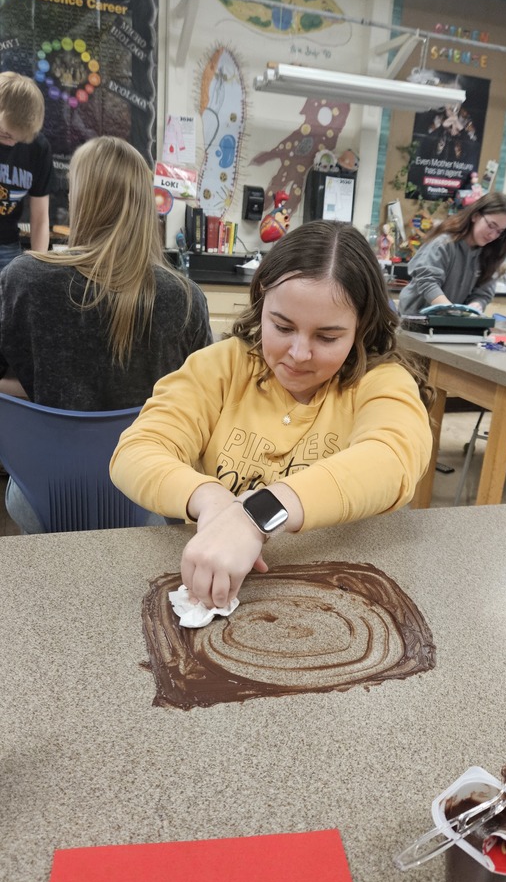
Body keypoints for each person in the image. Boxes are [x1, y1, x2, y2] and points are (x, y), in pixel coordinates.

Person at [110, 219, 433, 611]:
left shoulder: (380, 382)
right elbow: (137, 450)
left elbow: (392, 458)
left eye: (327, 337)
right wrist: (211, 501)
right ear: (262, 306)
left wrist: (257, 513)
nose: (298, 353)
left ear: (361, 330)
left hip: (339, 593)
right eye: (282, 326)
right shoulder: (222, 367)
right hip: (225, 589)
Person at [0, 135, 212, 532]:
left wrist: (46, 383)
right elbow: (205, 403)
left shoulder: (21, 281)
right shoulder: (184, 298)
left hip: (41, 493)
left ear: (82, 200)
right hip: (148, 496)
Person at [398, 192, 506, 317]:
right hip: (415, 319)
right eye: (491, 226)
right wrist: (451, 311)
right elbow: (427, 282)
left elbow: (483, 294)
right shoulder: (444, 243)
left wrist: (476, 305)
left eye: (499, 232)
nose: (493, 235)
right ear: (475, 216)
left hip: (449, 323)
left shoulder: (489, 254)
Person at [0, 71, 53, 269]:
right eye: (6, 135)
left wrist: (37, 269)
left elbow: (40, 218)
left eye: (19, 139)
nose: (12, 142)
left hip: (7, 245)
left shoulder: (38, 147)